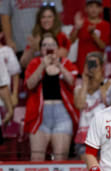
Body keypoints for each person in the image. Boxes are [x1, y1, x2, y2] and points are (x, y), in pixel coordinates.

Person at [24, 33, 79, 161]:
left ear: (57, 48)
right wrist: (42, 65)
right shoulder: (35, 63)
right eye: (44, 45)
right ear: (40, 49)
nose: (48, 47)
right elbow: (29, 85)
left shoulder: (65, 62)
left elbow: (72, 82)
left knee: (60, 158)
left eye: (52, 44)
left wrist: (59, 65)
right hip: (40, 114)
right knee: (37, 158)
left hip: (62, 115)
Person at [74, 51, 111, 161]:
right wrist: (85, 82)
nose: (91, 68)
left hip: (104, 137)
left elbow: (108, 103)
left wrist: (99, 80)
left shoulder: (109, 84)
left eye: (94, 64)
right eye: (89, 64)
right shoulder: (79, 88)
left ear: (102, 67)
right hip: (84, 138)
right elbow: (79, 104)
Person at [20, 3, 70, 69]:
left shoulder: (62, 36)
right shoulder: (36, 37)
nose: (46, 20)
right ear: (39, 20)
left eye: (49, 17)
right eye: (43, 17)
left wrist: (39, 49)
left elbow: (62, 56)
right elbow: (23, 63)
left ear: (54, 18)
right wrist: (32, 49)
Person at [70, 0, 111, 74]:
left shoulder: (105, 25)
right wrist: (77, 28)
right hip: (82, 64)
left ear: (101, 9)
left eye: (97, 6)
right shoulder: (81, 22)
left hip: (97, 64)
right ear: (86, 8)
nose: (94, 9)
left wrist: (93, 34)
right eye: (91, 6)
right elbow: (71, 41)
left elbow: (102, 46)